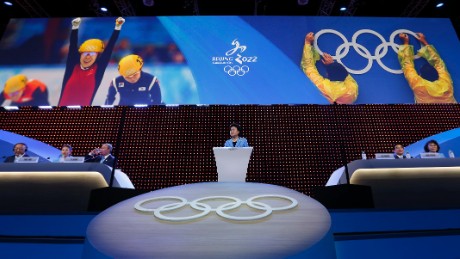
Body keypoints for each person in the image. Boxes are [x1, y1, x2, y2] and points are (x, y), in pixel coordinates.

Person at [58, 17, 125, 106]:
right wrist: (75, 27)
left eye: (92, 54)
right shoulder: (72, 67)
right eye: (85, 53)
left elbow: (109, 48)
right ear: (80, 55)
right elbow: (72, 46)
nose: (87, 57)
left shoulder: (98, 70)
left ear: (97, 56)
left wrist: (117, 27)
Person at [301, 32, 358, 104]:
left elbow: (308, 66)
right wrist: (331, 64)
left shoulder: (321, 86)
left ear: (327, 74)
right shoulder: (352, 89)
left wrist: (307, 43)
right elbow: (347, 77)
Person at [398, 33, 456, 103]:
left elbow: (407, 65)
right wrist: (424, 42)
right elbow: (438, 63)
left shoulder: (418, 84)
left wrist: (406, 42)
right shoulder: (446, 83)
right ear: (437, 73)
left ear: (420, 76)